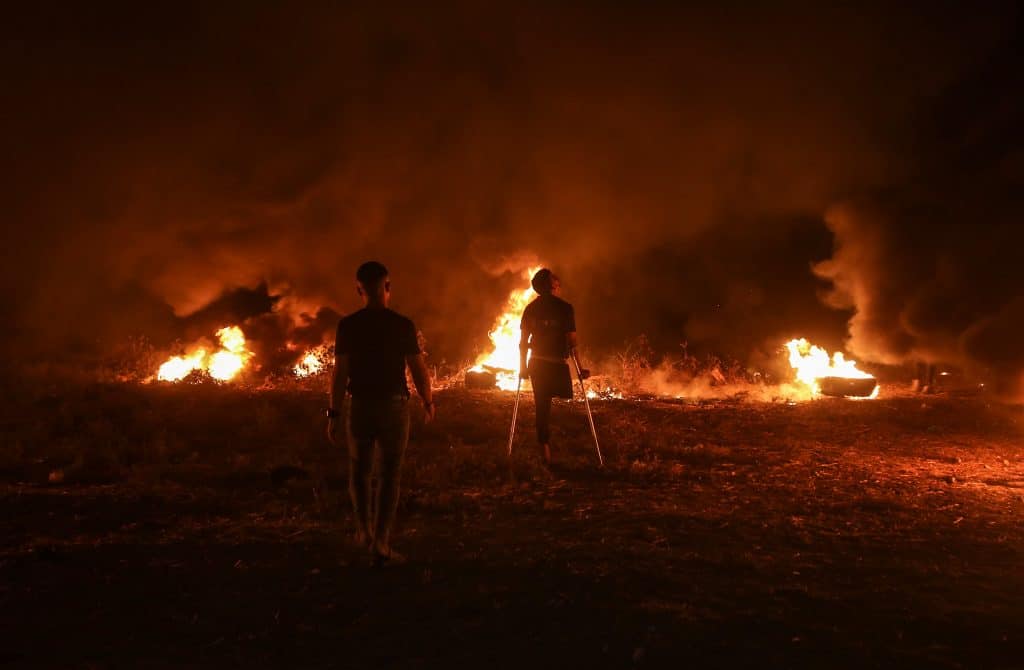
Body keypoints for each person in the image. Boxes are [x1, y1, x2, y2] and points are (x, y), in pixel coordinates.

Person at [327, 261, 435, 565]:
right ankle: (382, 541)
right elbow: (418, 369)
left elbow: (340, 374)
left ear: (359, 289)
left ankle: (363, 532)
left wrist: (333, 413)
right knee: (390, 475)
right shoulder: (402, 325)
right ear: (387, 287)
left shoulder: (348, 326)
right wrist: (427, 401)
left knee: (359, 472)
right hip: (395, 406)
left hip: (360, 405)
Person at [519, 268, 580, 464]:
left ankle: (544, 444)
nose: (558, 283)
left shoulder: (530, 309)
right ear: (553, 286)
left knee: (542, 405)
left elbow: (522, 342)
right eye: (555, 280)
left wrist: (522, 367)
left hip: (536, 363)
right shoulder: (565, 308)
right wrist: (581, 367)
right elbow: (572, 342)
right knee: (563, 402)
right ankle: (557, 444)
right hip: (556, 365)